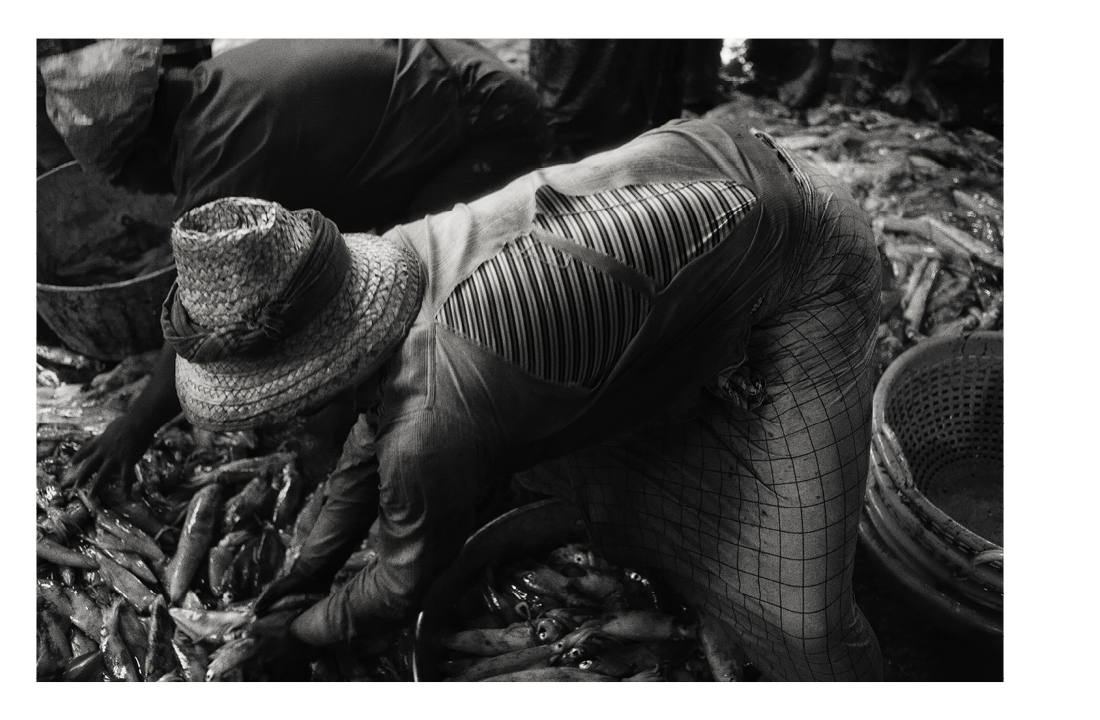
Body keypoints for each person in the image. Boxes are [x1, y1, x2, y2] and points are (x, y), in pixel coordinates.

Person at [155, 114, 885, 681]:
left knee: (799, 620)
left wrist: (303, 633)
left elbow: (402, 582)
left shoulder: (434, 423)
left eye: (277, 405)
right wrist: (304, 575)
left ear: (315, 371)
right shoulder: (396, 260)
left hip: (808, 250)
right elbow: (363, 441)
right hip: (717, 154)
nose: (281, 424)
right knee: (602, 472)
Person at [57, 38, 548, 492]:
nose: (140, 192)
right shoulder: (210, 85)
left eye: (128, 180)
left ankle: (467, 435)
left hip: (488, 122)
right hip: (452, 67)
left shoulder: (221, 154)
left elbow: (208, 315)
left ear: (143, 148)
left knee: (417, 287)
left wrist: (136, 425)